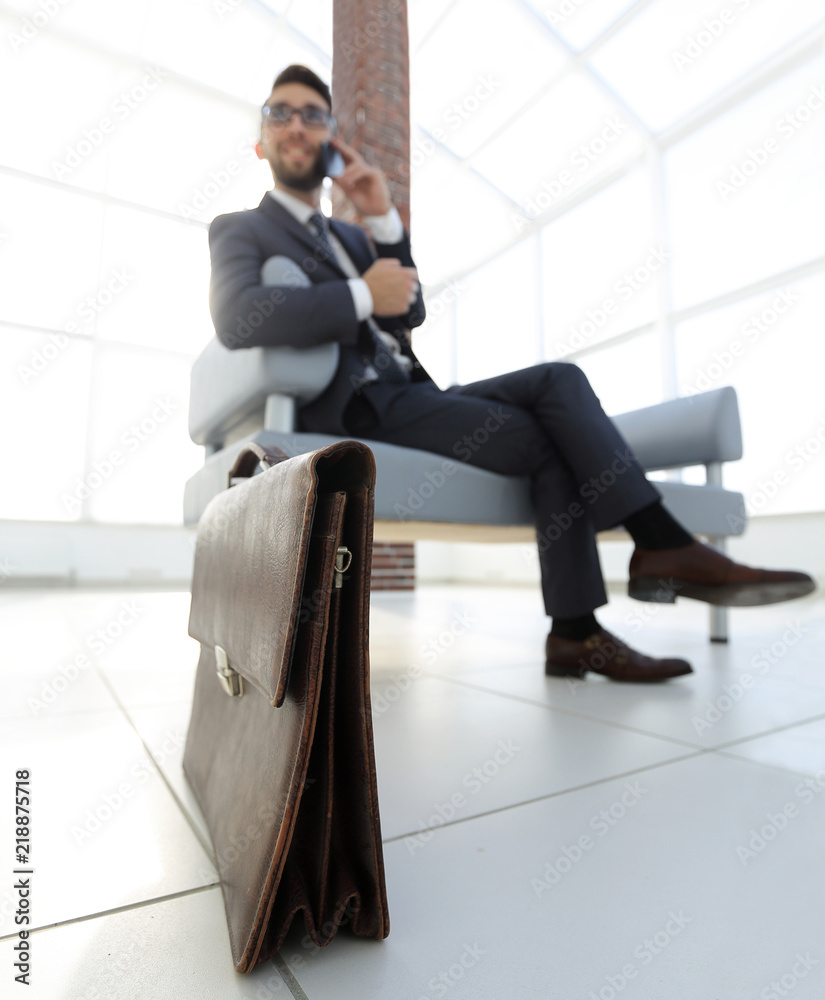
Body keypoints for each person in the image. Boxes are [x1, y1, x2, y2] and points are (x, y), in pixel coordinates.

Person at [207, 64, 816, 683]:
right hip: (355, 406)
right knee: (555, 438)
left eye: (314, 114)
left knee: (560, 381)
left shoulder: (355, 238)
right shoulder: (240, 229)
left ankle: (618, 592)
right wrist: (362, 295)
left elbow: (409, 306)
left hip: (412, 395)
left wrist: (383, 218)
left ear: (331, 140)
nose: (298, 125)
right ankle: (621, 584)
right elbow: (238, 316)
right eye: (281, 112)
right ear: (261, 143)